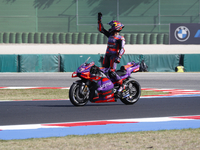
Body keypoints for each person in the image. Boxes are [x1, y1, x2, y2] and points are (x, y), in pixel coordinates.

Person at [97, 12, 125, 92]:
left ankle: (121, 85)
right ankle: (107, 86)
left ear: (116, 27)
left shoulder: (120, 38)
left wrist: (119, 57)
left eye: (112, 26)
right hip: (107, 55)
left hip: (114, 56)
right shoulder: (110, 35)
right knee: (103, 71)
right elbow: (101, 30)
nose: (110, 27)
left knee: (112, 72)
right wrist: (99, 20)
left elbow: (122, 49)